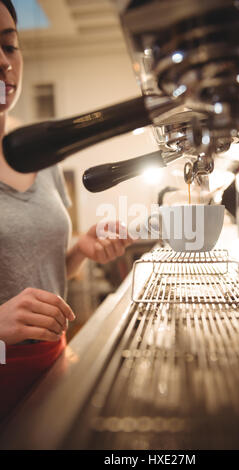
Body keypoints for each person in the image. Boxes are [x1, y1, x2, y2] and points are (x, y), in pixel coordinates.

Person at [0, 0, 134, 420]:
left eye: (9, 46)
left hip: (51, 362)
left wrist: (80, 249)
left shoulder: (44, 153)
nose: (3, 63)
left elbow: (48, 269)